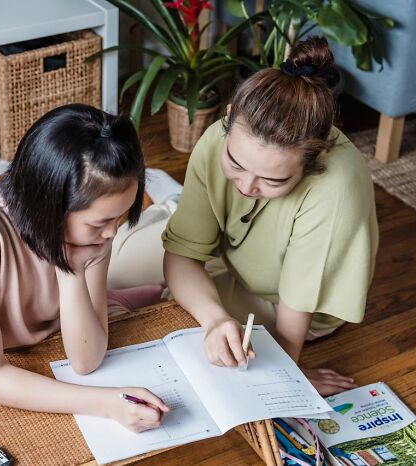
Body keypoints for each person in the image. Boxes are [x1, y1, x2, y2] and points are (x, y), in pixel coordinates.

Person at [0, 104, 169, 432]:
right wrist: (105, 403)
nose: (112, 232)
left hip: (41, 337)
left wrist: (71, 271)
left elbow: (86, 360)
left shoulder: (95, 233)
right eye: (101, 222)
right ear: (51, 207)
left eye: (120, 217)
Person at [161, 37, 379, 395]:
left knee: (184, 329)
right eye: (235, 164)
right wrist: (215, 318)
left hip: (291, 308)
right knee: (119, 262)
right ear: (229, 118)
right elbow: (181, 255)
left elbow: (296, 306)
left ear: (316, 159)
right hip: (232, 267)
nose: (246, 185)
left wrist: (287, 372)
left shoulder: (336, 188)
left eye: (273, 179)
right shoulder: (217, 138)